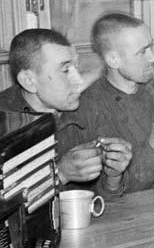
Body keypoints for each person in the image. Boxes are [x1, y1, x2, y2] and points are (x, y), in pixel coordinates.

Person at [64, 13, 154, 198]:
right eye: (142, 52)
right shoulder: (87, 109)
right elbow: (109, 195)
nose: (152, 58)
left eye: (150, 47)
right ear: (113, 60)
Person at [0, 28, 131, 189]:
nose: (79, 81)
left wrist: (114, 175)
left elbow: (103, 202)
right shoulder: (4, 121)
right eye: (65, 70)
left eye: (76, 68)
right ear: (29, 81)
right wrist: (60, 174)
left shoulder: (87, 108)